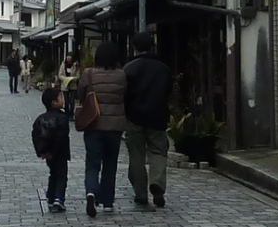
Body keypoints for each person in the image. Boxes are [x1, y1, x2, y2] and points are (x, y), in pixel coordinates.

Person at [76, 40, 127, 216]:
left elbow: (80, 94)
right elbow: (125, 95)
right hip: (115, 126)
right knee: (110, 163)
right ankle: (107, 202)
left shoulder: (88, 74)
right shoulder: (122, 75)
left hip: (93, 124)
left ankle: (91, 192)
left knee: (92, 163)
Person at [123, 31, 173, 209]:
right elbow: (168, 92)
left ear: (135, 48)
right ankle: (157, 184)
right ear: (152, 46)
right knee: (159, 151)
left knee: (136, 155)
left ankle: (140, 193)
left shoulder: (128, 68)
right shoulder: (163, 68)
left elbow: (124, 94)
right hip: (158, 117)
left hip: (134, 117)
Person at [32, 87, 71, 211]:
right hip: (60, 152)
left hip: (47, 152)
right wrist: (54, 151)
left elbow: (35, 136)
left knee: (53, 174)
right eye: (60, 97)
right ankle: (59, 198)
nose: (62, 99)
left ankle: (50, 197)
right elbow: (61, 137)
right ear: (54, 102)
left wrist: (41, 152)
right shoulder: (62, 118)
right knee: (61, 175)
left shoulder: (40, 119)